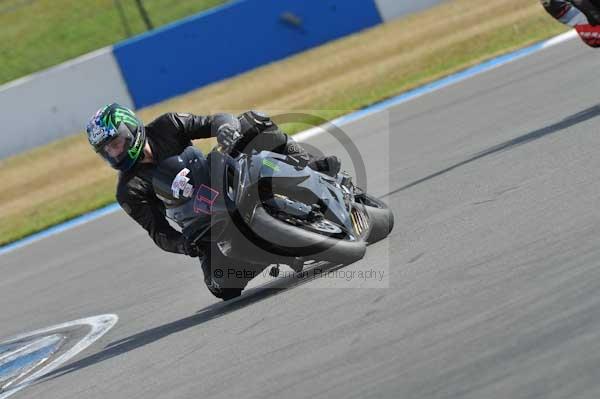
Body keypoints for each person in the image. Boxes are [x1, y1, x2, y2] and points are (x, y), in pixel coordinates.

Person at [86, 103, 341, 299]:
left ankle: (309, 166)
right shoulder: (128, 191)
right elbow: (159, 232)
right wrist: (183, 245)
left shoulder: (168, 125)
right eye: (107, 150)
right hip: (203, 226)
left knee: (254, 122)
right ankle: (270, 253)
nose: (114, 152)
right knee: (222, 287)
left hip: (221, 175)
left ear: (130, 129)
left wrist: (225, 129)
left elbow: (215, 120)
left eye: (116, 143)